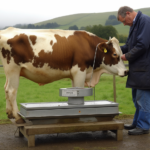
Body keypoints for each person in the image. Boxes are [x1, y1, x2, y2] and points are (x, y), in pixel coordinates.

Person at [117, 6, 150, 135]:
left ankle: (144, 127)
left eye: (123, 21)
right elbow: (129, 45)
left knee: (143, 100)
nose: (124, 24)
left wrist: (126, 56)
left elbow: (143, 45)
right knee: (137, 99)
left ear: (128, 13)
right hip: (137, 69)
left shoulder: (145, 21)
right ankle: (136, 123)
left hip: (145, 69)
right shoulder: (134, 24)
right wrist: (115, 49)